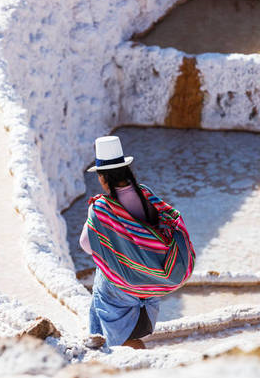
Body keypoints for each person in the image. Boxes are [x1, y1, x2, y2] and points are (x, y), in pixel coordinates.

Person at [80, 135, 195, 349]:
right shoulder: (146, 194)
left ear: (103, 177)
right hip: (149, 282)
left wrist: (115, 247)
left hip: (122, 288)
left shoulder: (101, 208)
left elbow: (86, 245)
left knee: (102, 276)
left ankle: (108, 345)